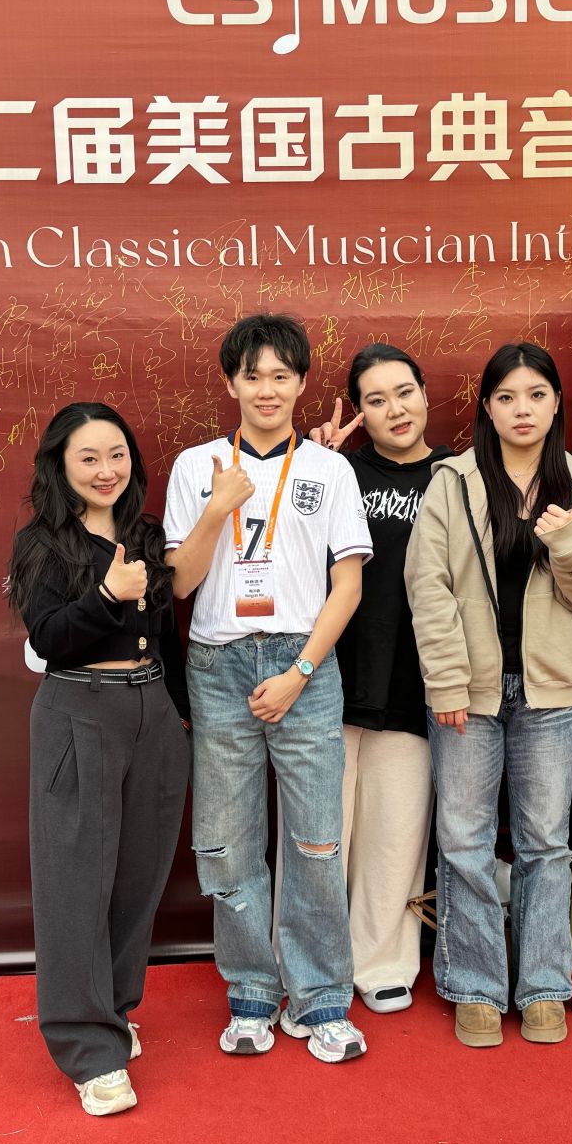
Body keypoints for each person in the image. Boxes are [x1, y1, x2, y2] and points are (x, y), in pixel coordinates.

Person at [163, 313, 374, 1062]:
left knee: (315, 841)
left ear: (302, 382)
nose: (267, 389)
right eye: (252, 375)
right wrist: (217, 508)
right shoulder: (196, 466)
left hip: (304, 663)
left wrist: (300, 672)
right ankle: (251, 991)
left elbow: (348, 586)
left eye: (281, 375)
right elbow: (180, 582)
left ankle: (321, 998)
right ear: (230, 383)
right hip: (218, 664)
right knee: (228, 844)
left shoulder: (330, 469)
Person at [406, 342, 572, 1048]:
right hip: (467, 689)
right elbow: (427, 585)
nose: (521, 409)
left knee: (545, 842)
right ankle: (474, 984)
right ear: (487, 408)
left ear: (556, 403)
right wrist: (445, 679)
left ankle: (543, 986)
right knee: (464, 839)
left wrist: (568, 544)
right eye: (506, 397)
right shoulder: (453, 480)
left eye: (535, 395)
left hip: (551, 688)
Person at [10, 402, 190, 1117]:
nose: (106, 470)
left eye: (116, 454)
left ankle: (112, 1010)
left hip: (153, 712)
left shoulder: (145, 534)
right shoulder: (41, 543)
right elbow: (50, 637)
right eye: (88, 457)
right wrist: (108, 594)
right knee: (75, 882)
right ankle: (88, 1049)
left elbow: (166, 632)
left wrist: (180, 714)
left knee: (138, 877)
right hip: (79, 710)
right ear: (60, 465)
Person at [305, 344, 454, 1014]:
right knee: (318, 834)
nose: (395, 409)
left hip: (413, 680)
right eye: (376, 399)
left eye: (404, 392)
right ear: (359, 412)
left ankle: (384, 960)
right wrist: (314, 467)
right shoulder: (336, 470)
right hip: (329, 676)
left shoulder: (456, 476)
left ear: (425, 393)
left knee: (396, 834)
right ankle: (309, 960)